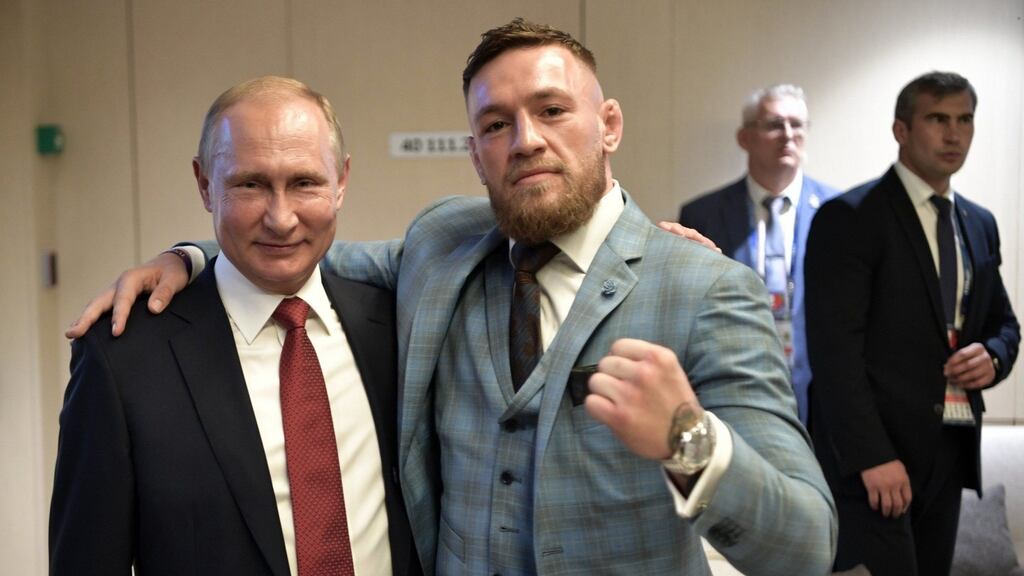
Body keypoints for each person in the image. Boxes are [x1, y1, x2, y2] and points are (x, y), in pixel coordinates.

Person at [68, 19, 836, 575]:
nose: (525, 139)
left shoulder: (706, 289)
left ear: (608, 126)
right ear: (474, 152)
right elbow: (296, 253)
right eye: (496, 124)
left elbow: (806, 544)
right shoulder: (443, 246)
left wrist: (685, 438)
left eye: (552, 110)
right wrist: (190, 257)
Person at [50, 77, 419, 576]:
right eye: (251, 184)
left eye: (305, 182)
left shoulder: (395, 324)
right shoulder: (123, 358)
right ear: (205, 184)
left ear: (342, 182)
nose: (281, 218)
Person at [805, 71, 1019, 575]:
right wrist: (871, 457)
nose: (954, 134)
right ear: (901, 130)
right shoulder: (850, 217)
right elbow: (835, 353)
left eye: (965, 120)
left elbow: (1004, 324)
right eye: (937, 119)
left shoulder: (977, 222)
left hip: (950, 447)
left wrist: (993, 356)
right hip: (875, 460)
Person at [679, 84, 839, 425]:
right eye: (774, 124)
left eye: (797, 125)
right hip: (733, 391)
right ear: (745, 138)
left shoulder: (838, 213)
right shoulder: (703, 215)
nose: (788, 135)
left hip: (823, 398)